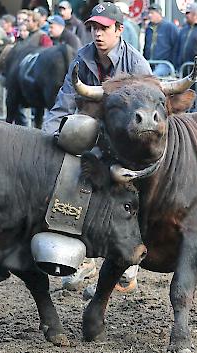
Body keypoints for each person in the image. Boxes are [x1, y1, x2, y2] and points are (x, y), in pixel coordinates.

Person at [43, 2, 152, 292]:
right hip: (93, 138)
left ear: (119, 29)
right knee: (73, 181)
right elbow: (65, 98)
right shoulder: (82, 57)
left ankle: (128, 265)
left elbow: (148, 114)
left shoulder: (136, 63)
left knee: (124, 196)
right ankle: (84, 259)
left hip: (129, 143)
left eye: (104, 28)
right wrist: (48, 136)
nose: (97, 33)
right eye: (93, 27)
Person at [143, 4, 178, 77]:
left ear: (159, 13)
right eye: (149, 13)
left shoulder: (170, 27)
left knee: (153, 77)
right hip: (149, 63)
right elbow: (146, 46)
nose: (149, 15)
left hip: (164, 63)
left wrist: (174, 65)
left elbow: (176, 47)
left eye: (152, 13)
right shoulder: (148, 28)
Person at [175, 2, 197, 71]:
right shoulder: (183, 30)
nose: (186, 15)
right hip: (182, 68)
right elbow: (177, 48)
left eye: (188, 13)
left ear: (195, 14)